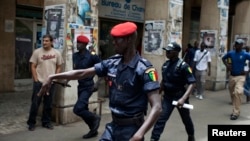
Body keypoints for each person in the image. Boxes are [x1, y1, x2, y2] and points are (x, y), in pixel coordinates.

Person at [38, 22, 162, 141]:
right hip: (113, 126)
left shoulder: (145, 69)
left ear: (128, 40)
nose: (113, 43)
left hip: (132, 129)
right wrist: (53, 77)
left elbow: (157, 107)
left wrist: (139, 134)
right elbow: (82, 73)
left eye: (117, 39)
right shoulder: (112, 62)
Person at [150, 42, 196, 141]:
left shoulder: (184, 66)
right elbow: (164, 81)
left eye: (169, 51)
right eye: (166, 50)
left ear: (176, 52)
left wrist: (183, 99)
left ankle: (191, 136)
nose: (167, 52)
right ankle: (154, 138)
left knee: (186, 119)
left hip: (180, 96)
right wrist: (158, 94)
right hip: (168, 97)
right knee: (161, 119)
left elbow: (192, 83)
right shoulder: (165, 65)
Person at [27, 34, 64, 131]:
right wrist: (36, 80)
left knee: (48, 104)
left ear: (51, 42)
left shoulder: (56, 53)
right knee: (35, 103)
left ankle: (46, 122)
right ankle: (31, 123)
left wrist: (55, 79)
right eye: (43, 40)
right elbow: (33, 66)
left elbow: (59, 66)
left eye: (47, 41)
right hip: (39, 82)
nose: (44, 42)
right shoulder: (37, 52)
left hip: (50, 83)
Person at [72, 35, 102, 138]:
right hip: (80, 86)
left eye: (80, 43)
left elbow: (102, 70)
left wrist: (97, 83)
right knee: (83, 109)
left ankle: (95, 118)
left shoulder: (92, 56)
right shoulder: (75, 56)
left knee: (77, 109)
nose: (78, 45)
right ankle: (93, 130)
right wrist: (66, 79)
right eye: (77, 43)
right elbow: (75, 71)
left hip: (88, 86)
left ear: (85, 45)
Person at [222, 39, 250, 120]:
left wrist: (247, 71)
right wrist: (227, 65)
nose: (236, 45)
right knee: (233, 94)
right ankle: (235, 107)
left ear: (241, 45)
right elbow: (223, 58)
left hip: (241, 77)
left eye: (238, 44)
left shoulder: (245, 54)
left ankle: (235, 112)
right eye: (236, 43)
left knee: (238, 92)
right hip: (232, 76)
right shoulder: (231, 53)